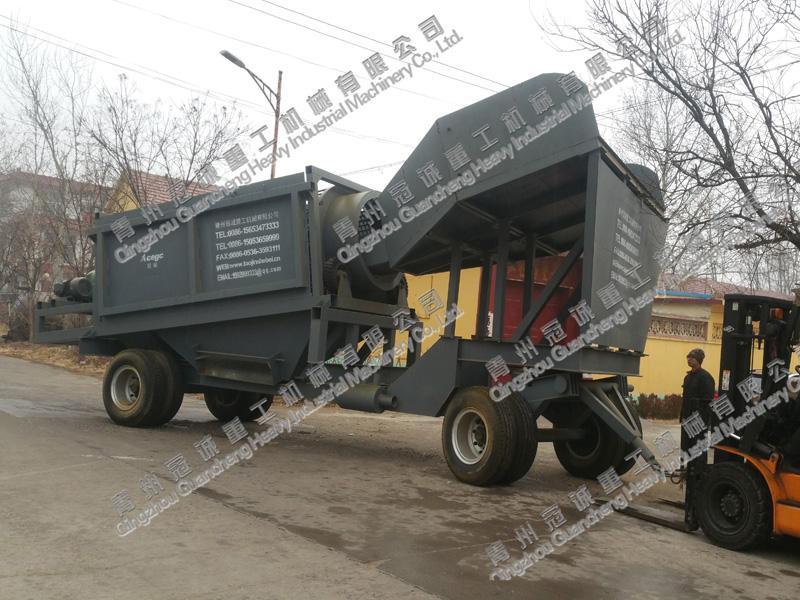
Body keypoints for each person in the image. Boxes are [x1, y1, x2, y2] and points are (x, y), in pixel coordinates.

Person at [680, 348, 715, 452]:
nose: (689, 359)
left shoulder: (706, 377)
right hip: (686, 417)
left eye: (692, 357)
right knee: (686, 446)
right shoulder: (688, 377)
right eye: (688, 357)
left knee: (697, 446)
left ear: (698, 360)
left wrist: (701, 418)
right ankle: (687, 467)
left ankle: (698, 467)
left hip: (698, 419)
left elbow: (707, 400)